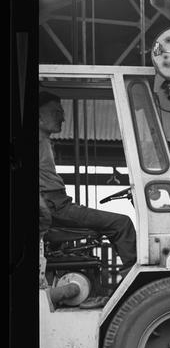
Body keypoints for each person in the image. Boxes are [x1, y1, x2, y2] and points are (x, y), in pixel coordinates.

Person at [39, 91, 137, 274]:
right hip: (55, 206)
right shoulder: (36, 140)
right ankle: (135, 279)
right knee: (121, 223)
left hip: (57, 203)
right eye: (56, 112)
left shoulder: (44, 141)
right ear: (38, 117)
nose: (63, 119)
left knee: (114, 224)